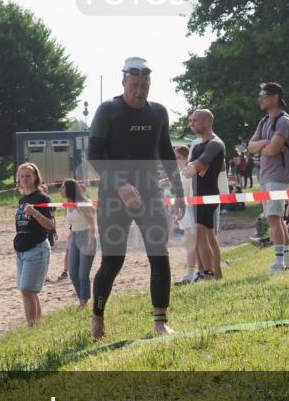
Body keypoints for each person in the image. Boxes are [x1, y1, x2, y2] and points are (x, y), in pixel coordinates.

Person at [88, 57, 184, 340]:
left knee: (159, 253)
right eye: (134, 85)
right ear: (124, 82)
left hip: (150, 192)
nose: (139, 91)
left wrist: (179, 192)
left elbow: (167, 154)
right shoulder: (109, 111)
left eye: (144, 85)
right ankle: (98, 316)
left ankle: (160, 322)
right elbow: (93, 155)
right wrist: (119, 185)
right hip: (113, 195)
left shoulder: (158, 113)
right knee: (113, 262)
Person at [248, 82, 289, 274]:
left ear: (275, 97)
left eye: (263, 94)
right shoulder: (264, 121)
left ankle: (279, 264)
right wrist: (266, 143)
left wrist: (265, 147)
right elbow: (251, 146)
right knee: (277, 219)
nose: (260, 98)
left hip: (277, 176)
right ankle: (286, 261)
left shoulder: (284, 121)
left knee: (274, 218)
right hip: (266, 177)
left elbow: (273, 149)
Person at [182, 109, 226, 280]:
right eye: (190, 120)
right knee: (209, 236)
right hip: (197, 195)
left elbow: (191, 169)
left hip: (209, 195)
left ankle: (206, 275)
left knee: (201, 236)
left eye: (195, 120)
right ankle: (217, 275)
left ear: (207, 122)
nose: (191, 124)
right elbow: (189, 169)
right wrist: (195, 167)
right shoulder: (196, 144)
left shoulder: (215, 143)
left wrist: (196, 167)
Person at [13, 162, 55, 326]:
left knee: (27, 290)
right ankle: (35, 325)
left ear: (36, 177)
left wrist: (36, 213)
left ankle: (33, 327)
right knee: (27, 292)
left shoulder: (42, 198)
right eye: (21, 176)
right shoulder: (22, 199)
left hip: (37, 248)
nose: (24, 179)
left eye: (28, 176)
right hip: (21, 249)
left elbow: (50, 225)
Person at [62, 179, 96, 308]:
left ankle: (84, 301)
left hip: (86, 236)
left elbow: (92, 224)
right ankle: (81, 299)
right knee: (73, 272)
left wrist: (90, 242)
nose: (60, 190)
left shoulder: (82, 204)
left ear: (70, 189)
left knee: (83, 273)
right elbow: (72, 225)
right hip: (75, 236)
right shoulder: (67, 205)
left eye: (63, 187)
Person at [174, 145, 200, 284]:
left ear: (185, 156)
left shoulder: (189, 169)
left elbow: (190, 191)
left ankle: (191, 275)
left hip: (191, 208)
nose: (175, 160)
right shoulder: (181, 170)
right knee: (188, 243)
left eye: (178, 157)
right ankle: (192, 273)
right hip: (185, 209)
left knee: (192, 243)